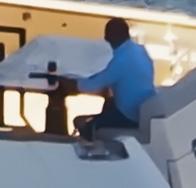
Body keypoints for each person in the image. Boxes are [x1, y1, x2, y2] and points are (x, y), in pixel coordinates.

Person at [53, 18, 159, 155]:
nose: (105, 38)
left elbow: (92, 85)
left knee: (82, 123)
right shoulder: (139, 50)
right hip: (141, 107)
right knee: (108, 104)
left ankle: (92, 155)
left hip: (129, 115)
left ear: (116, 35)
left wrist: (72, 82)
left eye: (107, 34)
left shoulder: (122, 60)